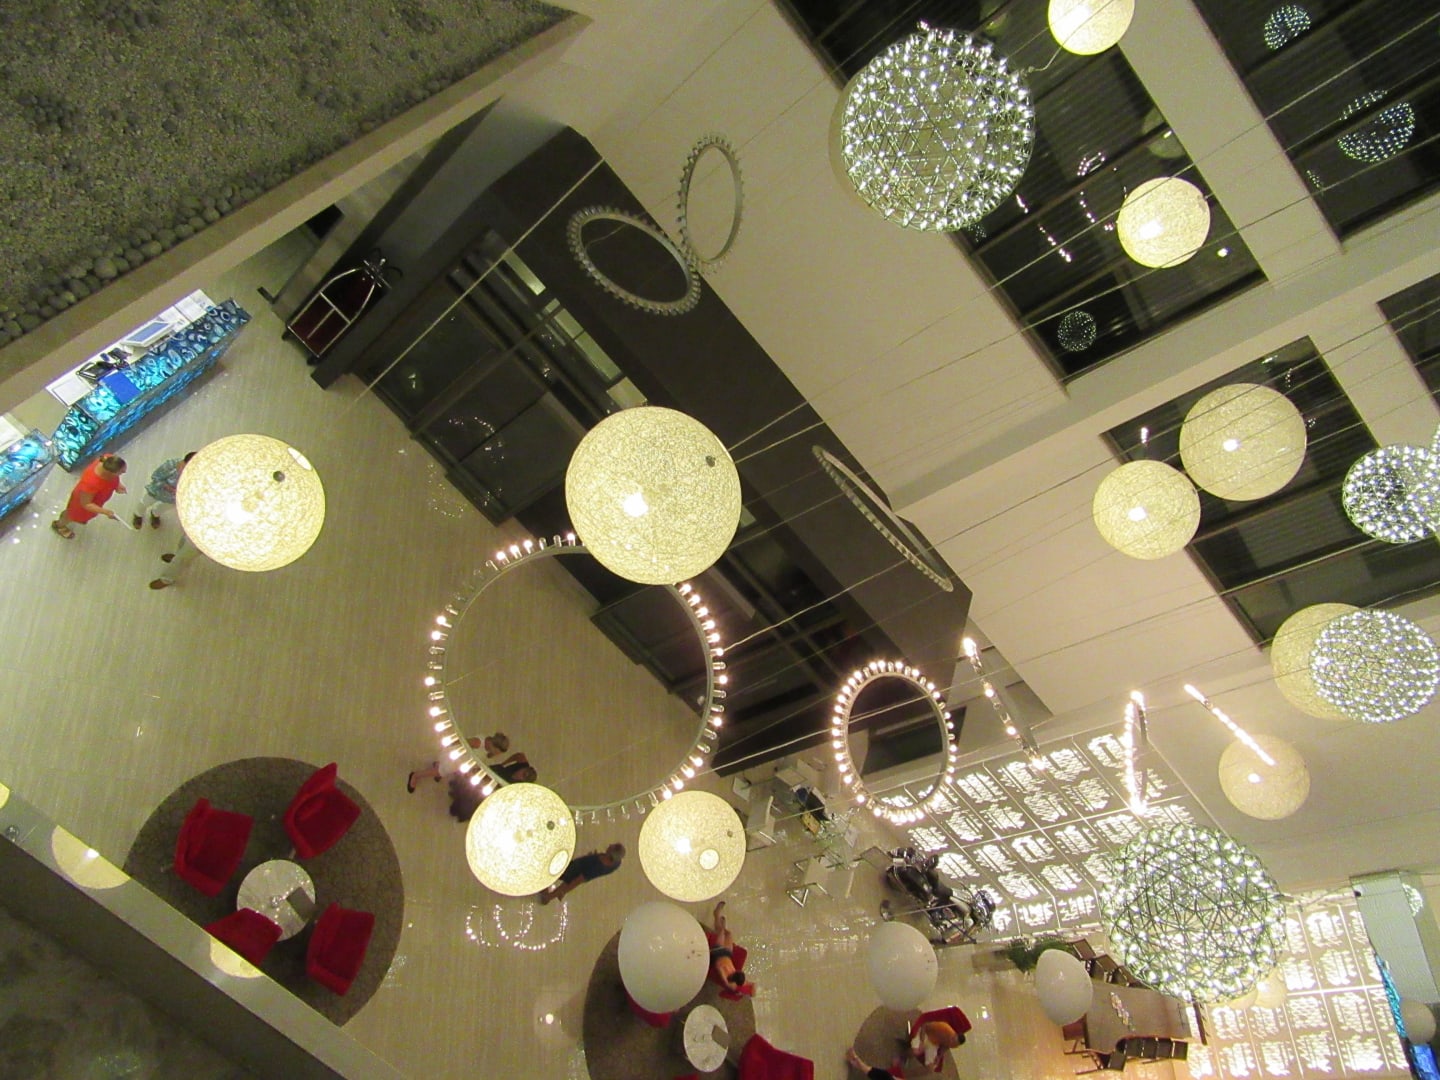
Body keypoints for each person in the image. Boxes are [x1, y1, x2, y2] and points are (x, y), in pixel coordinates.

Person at [51, 454, 126, 539]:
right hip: (81, 504)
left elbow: (113, 478)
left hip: (95, 499)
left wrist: (117, 484)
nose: (124, 472)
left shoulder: (108, 460)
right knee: (71, 515)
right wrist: (106, 512)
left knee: (79, 516)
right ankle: (59, 525)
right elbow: (86, 504)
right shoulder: (91, 483)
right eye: (121, 472)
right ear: (110, 473)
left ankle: (79, 518)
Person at [407, 732, 511, 793]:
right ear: (495, 747)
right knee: (440, 771)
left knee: (443, 770)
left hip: (460, 761)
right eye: (499, 752)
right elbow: (461, 742)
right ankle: (416, 775)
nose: (498, 754)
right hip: (454, 757)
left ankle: (438, 767)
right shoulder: (478, 743)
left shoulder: (488, 750)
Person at [537, 843, 625, 904]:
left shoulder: (597, 866)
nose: (609, 845)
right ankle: (554, 894)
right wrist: (593, 857)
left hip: (573, 871)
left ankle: (547, 895)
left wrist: (565, 890)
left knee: (554, 873)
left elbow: (578, 880)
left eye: (611, 847)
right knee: (564, 884)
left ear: (611, 854)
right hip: (578, 867)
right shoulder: (616, 863)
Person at [132, 451, 196, 529]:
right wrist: (168, 487)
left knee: (163, 507)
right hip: (158, 490)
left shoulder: (193, 473)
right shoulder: (170, 465)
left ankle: (155, 514)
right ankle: (138, 514)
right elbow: (156, 476)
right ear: (184, 462)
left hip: (172, 497)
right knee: (145, 502)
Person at [705, 900, 754, 995]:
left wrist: (738, 992)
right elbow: (750, 986)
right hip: (728, 954)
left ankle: (716, 914)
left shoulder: (728, 980)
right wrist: (749, 987)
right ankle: (722, 924)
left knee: (721, 932)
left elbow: (718, 966)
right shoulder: (739, 977)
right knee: (728, 934)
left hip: (718, 953)